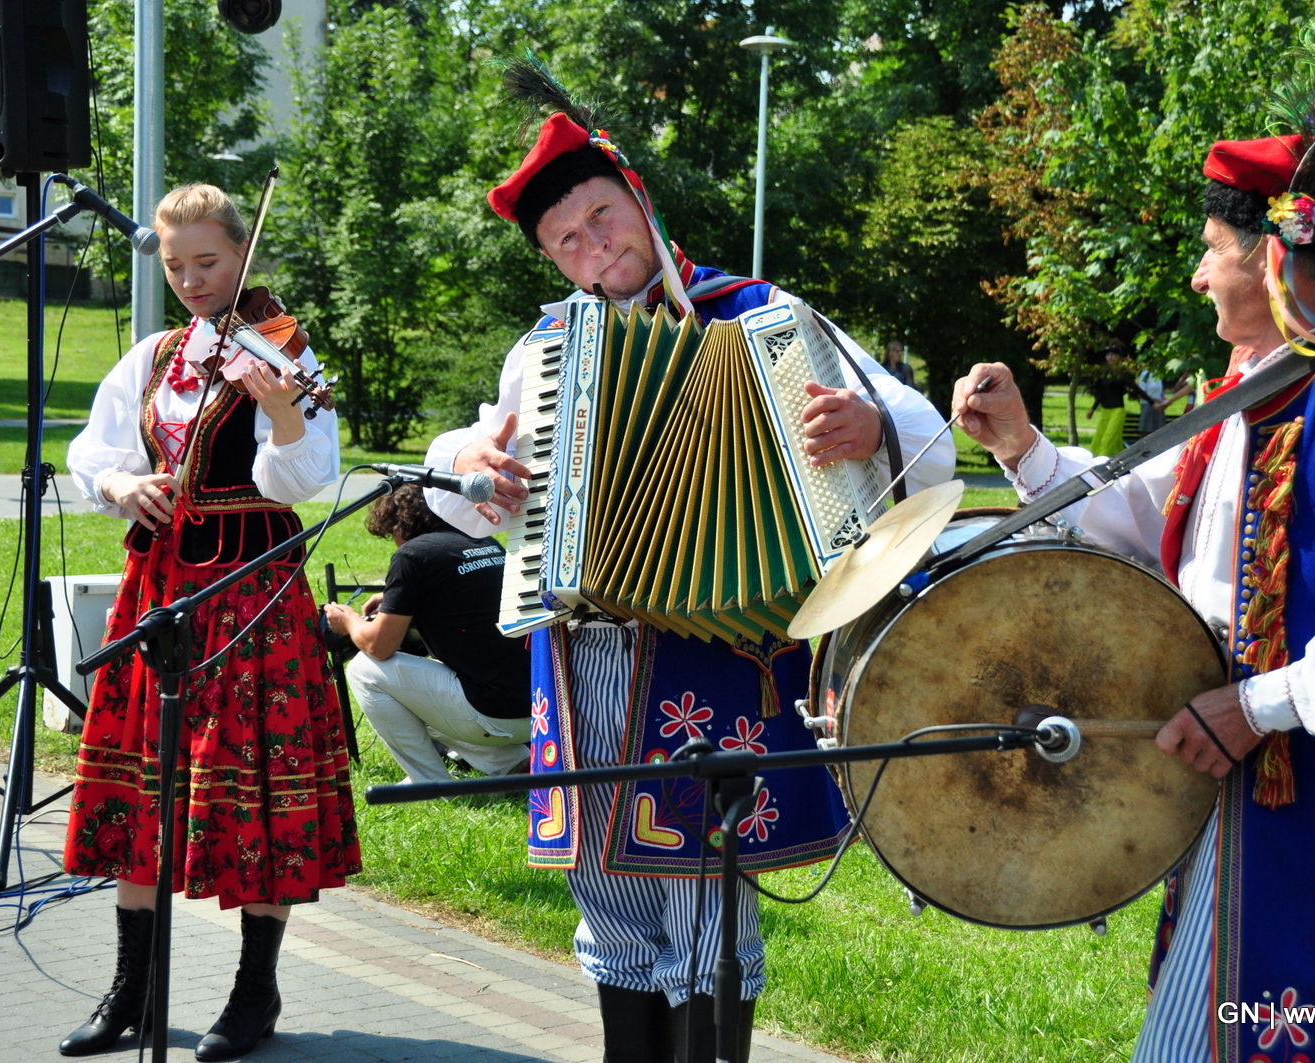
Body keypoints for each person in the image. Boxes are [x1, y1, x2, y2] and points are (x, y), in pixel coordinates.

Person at [952, 22, 1315, 1063]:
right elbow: (1135, 526)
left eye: (1211, 252)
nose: (1201, 277)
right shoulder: (1249, 401)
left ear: (1272, 254)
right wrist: (1021, 445)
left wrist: (1257, 704)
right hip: (1231, 794)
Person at [423, 61, 953, 1063]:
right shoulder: (543, 351)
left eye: (600, 215)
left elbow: (925, 443)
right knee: (609, 898)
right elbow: (477, 484)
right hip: (580, 661)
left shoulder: (763, 316)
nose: (591, 246)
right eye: (564, 240)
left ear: (639, 202)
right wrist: (469, 465)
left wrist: (870, 422)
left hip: (716, 655)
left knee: (705, 901)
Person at [60, 184, 360, 1061]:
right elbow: (96, 448)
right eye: (176, 263)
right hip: (160, 589)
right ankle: (132, 990)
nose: (192, 279)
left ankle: (253, 989)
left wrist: (280, 408)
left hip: (254, 590)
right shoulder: (156, 354)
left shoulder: (284, 351)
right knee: (143, 777)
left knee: (257, 784)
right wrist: (122, 485)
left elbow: (303, 481)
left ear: (242, 256)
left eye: (209, 262)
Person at [324, 485, 531, 780]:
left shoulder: (412, 554)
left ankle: (429, 783)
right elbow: (462, 598)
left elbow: (379, 646)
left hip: (491, 715)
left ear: (400, 525)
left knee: (363, 669)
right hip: (536, 710)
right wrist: (400, 599)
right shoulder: (483, 541)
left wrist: (350, 621)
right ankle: (513, 763)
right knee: (423, 690)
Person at [1084, 350, 1131, 456]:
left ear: (1118, 357)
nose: (1110, 357)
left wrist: (1152, 402)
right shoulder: (1105, 372)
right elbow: (1102, 393)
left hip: (1117, 410)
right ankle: (1117, 459)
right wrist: (1093, 409)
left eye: (1113, 355)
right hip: (1105, 410)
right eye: (1108, 355)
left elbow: (1134, 387)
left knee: (1107, 440)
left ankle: (1104, 462)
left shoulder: (1122, 372)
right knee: (1099, 439)